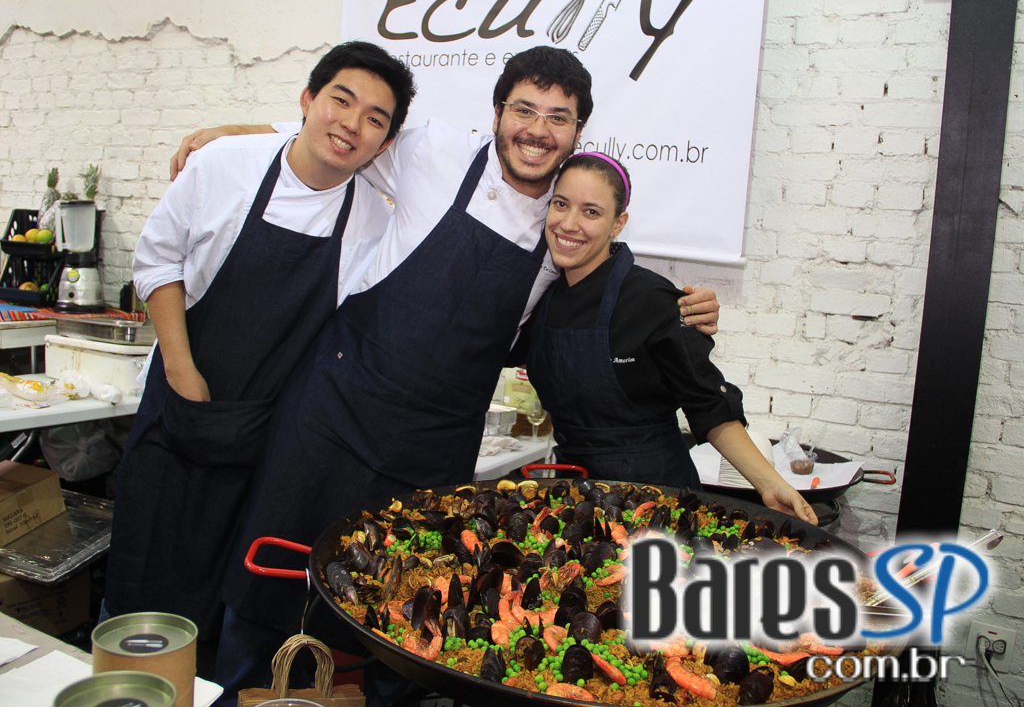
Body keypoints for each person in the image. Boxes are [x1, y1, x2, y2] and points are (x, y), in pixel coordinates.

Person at [168, 47, 722, 705]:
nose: (537, 130)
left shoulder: (561, 228)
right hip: (333, 415)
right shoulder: (436, 152)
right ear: (497, 112)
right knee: (271, 586)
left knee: (410, 616)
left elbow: (615, 287)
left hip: (431, 450)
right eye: (523, 110)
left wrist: (687, 309)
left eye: (558, 118)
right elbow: (340, 138)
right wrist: (229, 134)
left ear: (578, 132)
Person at [103, 42, 417, 640]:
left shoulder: (374, 220)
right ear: (307, 99)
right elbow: (157, 260)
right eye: (340, 100)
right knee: (141, 589)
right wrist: (181, 372)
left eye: (375, 119)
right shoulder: (225, 164)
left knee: (226, 604)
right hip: (180, 410)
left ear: (384, 144)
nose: (352, 124)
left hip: (268, 438)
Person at [524, 151, 816, 519]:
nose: (568, 224)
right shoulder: (542, 299)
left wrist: (770, 485)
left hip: (655, 497)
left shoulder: (652, 300)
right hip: (574, 495)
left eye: (591, 212)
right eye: (560, 204)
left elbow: (709, 406)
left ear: (618, 223)